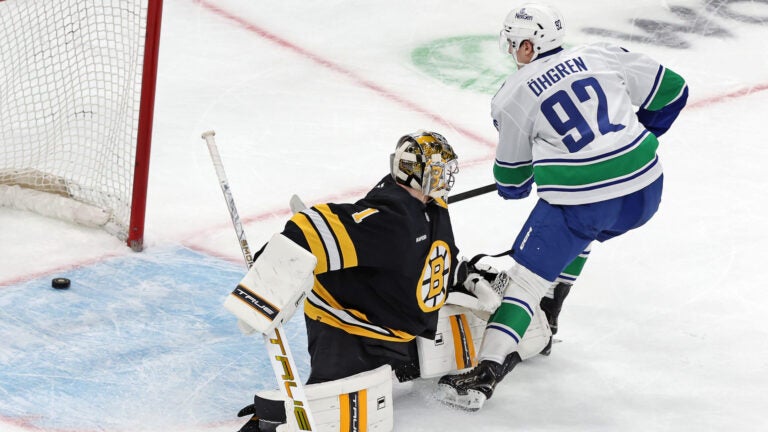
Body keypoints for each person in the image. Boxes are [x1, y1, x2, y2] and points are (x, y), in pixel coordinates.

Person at [437, 2, 688, 411]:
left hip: (585, 201)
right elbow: (674, 90)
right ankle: (551, 311)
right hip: (646, 189)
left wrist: (532, 173)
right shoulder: (600, 53)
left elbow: (514, 182)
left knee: (526, 280)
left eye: (514, 44)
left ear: (527, 46)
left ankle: (485, 374)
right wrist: (639, 137)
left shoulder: (512, 95)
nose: (511, 52)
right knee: (582, 230)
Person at [233, 130, 480, 431]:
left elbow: (430, 253)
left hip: (391, 322)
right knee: (330, 409)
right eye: (440, 171)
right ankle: (269, 422)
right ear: (416, 174)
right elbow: (309, 229)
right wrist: (266, 283)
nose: (447, 178)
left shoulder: (432, 204)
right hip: (350, 326)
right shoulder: (392, 218)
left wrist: (459, 274)